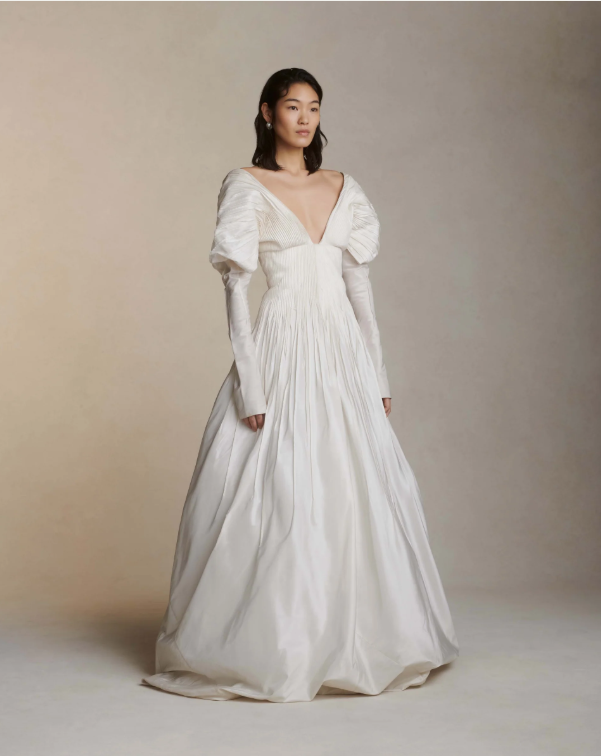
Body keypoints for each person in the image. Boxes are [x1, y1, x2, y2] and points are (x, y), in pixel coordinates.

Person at [142, 68, 459, 703]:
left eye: (314, 107)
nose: (305, 118)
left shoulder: (344, 187)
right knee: (279, 490)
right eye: (293, 106)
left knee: (355, 487)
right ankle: (279, 641)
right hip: (281, 345)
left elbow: (359, 289)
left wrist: (377, 373)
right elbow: (236, 291)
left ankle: (358, 635)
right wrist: (252, 386)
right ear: (267, 112)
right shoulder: (245, 185)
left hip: (342, 351)